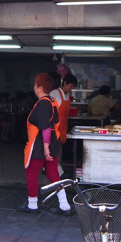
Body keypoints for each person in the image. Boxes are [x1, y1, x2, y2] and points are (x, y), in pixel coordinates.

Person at [18, 73, 72, 215]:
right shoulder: (52, 101)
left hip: (40, 144)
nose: (34, 87)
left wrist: (45, 148)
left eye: (35, 85)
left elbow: (46, 127)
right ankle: (64, 205)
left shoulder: (42, 104)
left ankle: (32, 205)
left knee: (31, 173)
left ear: (40, 87)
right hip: (53, 142)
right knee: (53, 174)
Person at [50, 73, 78, 176]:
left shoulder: (67, 95)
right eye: (71, 86)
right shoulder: (54, 94)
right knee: (57, 150)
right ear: (65, 83)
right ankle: (58, 172)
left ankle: (50, 168)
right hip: (54, 126)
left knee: (58, 149)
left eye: (73, 87)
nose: (71, 88)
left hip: (63, 127)